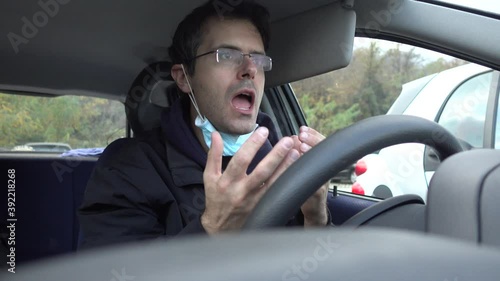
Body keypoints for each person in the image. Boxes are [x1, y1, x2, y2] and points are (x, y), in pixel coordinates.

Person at [78, 0, 331, 249]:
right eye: (227, 55)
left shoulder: (285, 160)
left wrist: (317, 217)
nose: (250, 69)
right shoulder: (127, 169)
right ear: (184, 78)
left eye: (258, 58)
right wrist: (212, 229)